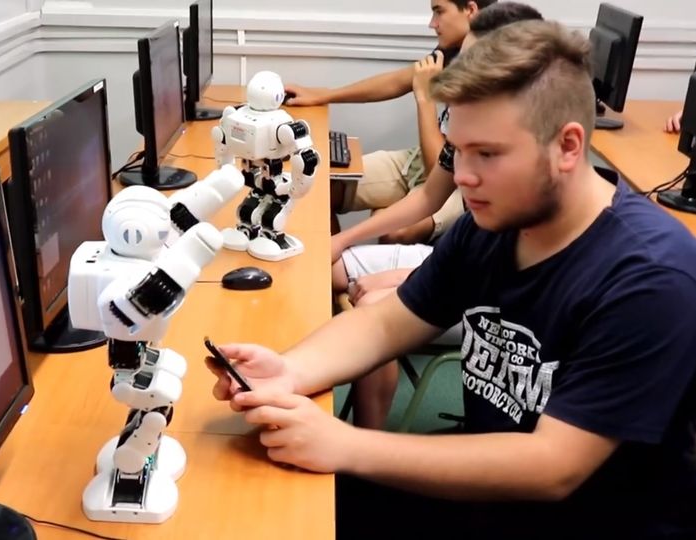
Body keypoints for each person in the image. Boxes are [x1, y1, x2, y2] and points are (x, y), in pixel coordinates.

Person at [208, 20, 696, 538]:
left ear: (568, 146)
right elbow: (387, 324)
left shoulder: (651, 279)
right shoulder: (490, 226)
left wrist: (347, 445)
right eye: (458, 149)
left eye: (487, 153)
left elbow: (555, 465)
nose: (462, 175)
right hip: (494, 495)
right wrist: (290, 370)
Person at [334, 1, 544, 430]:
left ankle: (365, 443)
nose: (464, 174)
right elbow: (430, 195)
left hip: (489, 296)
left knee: (371, 305)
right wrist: (341, 240)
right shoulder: (472, 134)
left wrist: (404, 278)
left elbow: (505, 274)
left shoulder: (533, 172)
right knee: (329, 268)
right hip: (461, 270)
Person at [287, 0, 497, 241]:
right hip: (421, 159)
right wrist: (324, 95)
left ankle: (337, 257)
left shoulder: (493, 75)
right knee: (317, 188)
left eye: (439, 11)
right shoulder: (453, 51)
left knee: (393, 233)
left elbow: (438, 174)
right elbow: (398, 81)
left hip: (456, 185)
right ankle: (327, 260)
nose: (432, 24)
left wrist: (424, 98)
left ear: (470, 10)